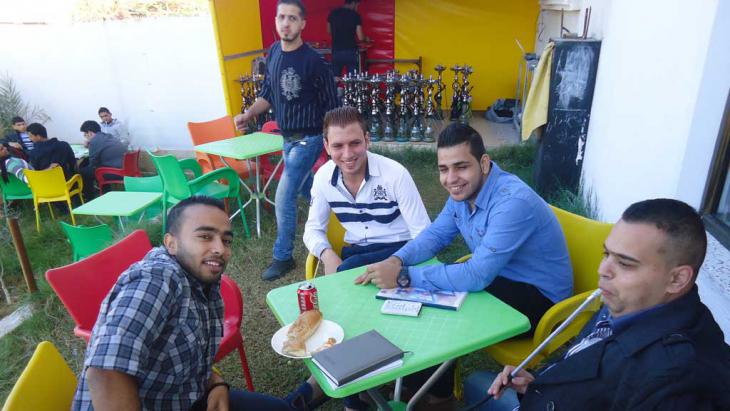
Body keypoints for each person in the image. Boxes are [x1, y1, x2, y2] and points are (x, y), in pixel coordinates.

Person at [357, 123, 573, 407]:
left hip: (541, 298)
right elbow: (435, 236)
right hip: (500, 277)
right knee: (435, 299)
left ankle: (437, 396)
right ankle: (419, 385)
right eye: (443, 169)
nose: (451, 179)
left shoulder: (511, 201)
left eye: (461, 167)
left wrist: (403, 277)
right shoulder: (464, 193)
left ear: (484, 163)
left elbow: (477, 275)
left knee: (442, 309)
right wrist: (396, 260)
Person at [465, 198, 730, 411]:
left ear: (677, 279)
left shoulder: (675, 382)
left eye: (625, 263)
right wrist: (538, 383)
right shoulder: (633, 302)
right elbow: (588, 363)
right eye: (607, 254)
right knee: (475, 382)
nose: (603, 270)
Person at [72, 196, 300, 411]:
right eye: (205, 236)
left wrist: (215, 382)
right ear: (171, 243)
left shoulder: (202, 280)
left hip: (184, 397)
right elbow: (105, 372)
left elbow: (187, 353)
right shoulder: (157, 278)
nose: (220, 249)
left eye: (226, 240)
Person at [234, 0, 339, 281]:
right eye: (282, 17)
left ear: (303, 23)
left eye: (292, 18)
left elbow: (332, 103)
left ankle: (283, 256)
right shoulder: (274, 52)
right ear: (276, 21)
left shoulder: (314, 61)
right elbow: (268, 93)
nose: (286, 23)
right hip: (287, 138)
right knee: (311, 191)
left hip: (311, 138)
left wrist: (333, 142)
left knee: (284, 195)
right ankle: (340, 219)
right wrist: (248, 114)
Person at [303, 107, 431, 274]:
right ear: (326, 146)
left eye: (355, 143)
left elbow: (423, 233)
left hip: (400, 249)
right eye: (338, 146)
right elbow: (313, 229)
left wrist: (400, 265)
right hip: (357, 252)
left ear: (367, 140)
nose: (347, 154)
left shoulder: (396, 174)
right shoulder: (323, 178)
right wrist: (327, 255)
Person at [78, 120, 129, 199]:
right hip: (124, 167)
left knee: (83, 172)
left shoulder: (94, 141)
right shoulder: (108, 136)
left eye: (85, 134)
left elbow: (92, 163)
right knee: (96, 168)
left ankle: (89, 198)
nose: (85, 137)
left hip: (114, 172)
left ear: (90, 133)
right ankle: (105, 191)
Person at [327, 0, 369, 77]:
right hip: (351, 51)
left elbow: (329, 31)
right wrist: (366, 39)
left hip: (336, 51)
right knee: (352, 79)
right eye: (357, 5)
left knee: (334, 79)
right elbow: (360, 37)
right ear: (353, 3)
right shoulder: (355, 15)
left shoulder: (333, 13)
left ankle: (336, 89)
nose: (357, 8)